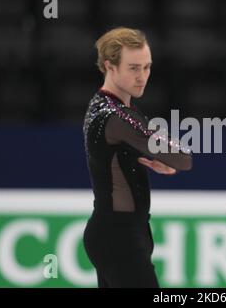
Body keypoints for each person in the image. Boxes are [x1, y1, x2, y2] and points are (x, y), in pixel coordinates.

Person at [83, 27, 192, 288]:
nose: (142, 76)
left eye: (147, 67)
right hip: (118, 236)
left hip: (125, 231)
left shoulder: (108, 105)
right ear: (110, 67)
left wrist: (156, 158)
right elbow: (183, 158)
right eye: (133, 68)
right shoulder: (116, 117)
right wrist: (166, 155)